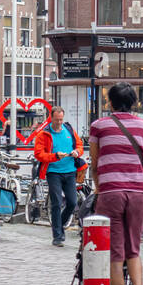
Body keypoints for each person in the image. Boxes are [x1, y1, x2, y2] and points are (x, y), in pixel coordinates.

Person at [89, 82, 143, 285]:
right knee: (133, 249)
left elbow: (94, 163)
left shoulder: (99, 126)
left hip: (111, 191)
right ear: (134, 102)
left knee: (115, 256)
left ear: (110, 102)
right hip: (139, 192)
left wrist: (99, 186)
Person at [34, 106, 84, 247]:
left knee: (72, 202)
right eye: (57, 120)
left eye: (61, 119)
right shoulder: (44, 134)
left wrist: (77, 152)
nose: (59, 122)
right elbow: (38, 154)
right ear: (51, 118)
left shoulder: (69, 130)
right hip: (53, 172)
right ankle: (57, 236)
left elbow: (80, 145)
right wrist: (54, 156)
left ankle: (59, 226)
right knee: (56, 202)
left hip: (70, 171)